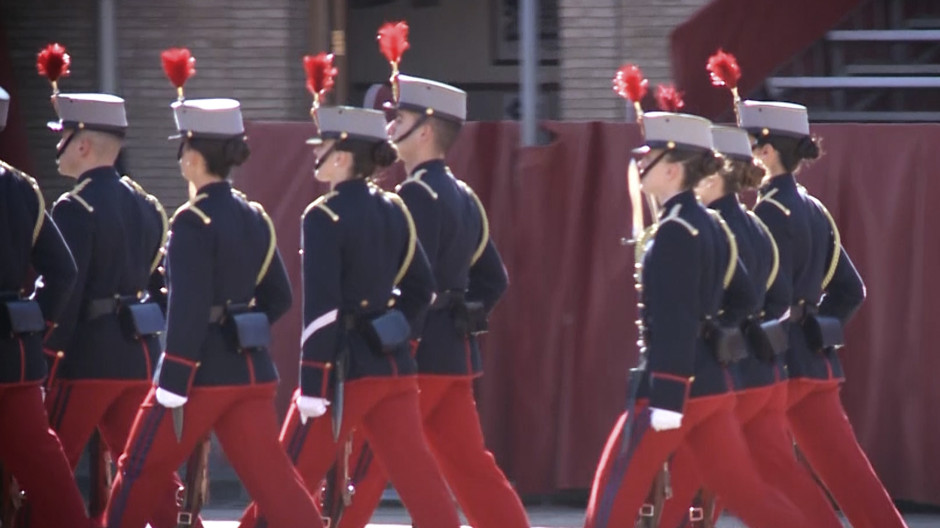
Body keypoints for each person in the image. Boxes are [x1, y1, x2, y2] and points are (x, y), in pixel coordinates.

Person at [237, 104, 460, 528]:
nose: (314, 153)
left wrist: (312, 384)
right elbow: (422, 288)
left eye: (321, 146)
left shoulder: (323, 215)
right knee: (422, 484)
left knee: (285, 480)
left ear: (341, 156)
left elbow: (322, 310)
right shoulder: (395, 208)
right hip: (393, 367)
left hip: (341, 373)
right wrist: (393, 332)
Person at [582, 111, 809, 528]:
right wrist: (712, 334)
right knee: (752, 498)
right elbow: (743, 297)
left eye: (648, 158)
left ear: (671, 169)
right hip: (712, 385)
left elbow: (675, 318)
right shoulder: (710, 224)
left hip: (672, 390)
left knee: (614, 495)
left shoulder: (674, 231)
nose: (640, 165)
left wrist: (668, 395)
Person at [104, 95, 322, 528]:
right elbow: (278, 296)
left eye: (183, 146)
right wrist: (238, 328)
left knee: (137, 471)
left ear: (195, 154)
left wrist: (173, 380)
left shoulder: (191, 221)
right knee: (278, 486)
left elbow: (186, 311)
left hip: (196, 375)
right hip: (251, 374)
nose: (180, 156)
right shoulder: (254, 215)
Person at [334, 74, 526, 528]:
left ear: (423, 130)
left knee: (364, 466)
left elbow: (403, 283)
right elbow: (493, 280)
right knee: (471, 469)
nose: (389, 126)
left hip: (414, 358)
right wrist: (461, 314)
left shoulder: (412, 196)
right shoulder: (465, 196)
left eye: (397, 117)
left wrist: (402, 335)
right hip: (455, 355)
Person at [655, 125, 843, 528]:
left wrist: (718, 333)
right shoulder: (757, 224)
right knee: (762, 484)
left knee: (684, 485)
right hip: (766, 370)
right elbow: (773, 301)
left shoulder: (713, 226)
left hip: (723, 375)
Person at [743, 100, 908, 528]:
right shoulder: (815, 209)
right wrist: (815, 329)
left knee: (770, 470)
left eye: (750, 145)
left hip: (777, 365)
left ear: (767, 151)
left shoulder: (768, 213)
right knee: (850, 472)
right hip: (816, 362)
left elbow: (764, 295)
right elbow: (851, 291)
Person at [0, 85, 99, 528]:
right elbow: (62, 271)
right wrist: (32, 322)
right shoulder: (22, 188)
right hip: (15, 361)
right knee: (49, 479)